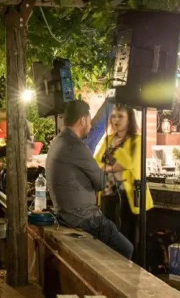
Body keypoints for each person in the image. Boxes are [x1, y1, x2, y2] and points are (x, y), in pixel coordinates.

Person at [45, 100, 134, 259]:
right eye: (89, 120)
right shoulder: (76, 146)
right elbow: (101, 182)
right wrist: (106, 170)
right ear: (82, 120)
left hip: (65, 215)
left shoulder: (57, 141)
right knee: (126, 248)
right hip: (84, 219)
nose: (91, 125)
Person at [93, 105, 153, 245]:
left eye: (120, 116)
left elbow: (127, 164)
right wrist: (108, 168)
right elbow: (95, 162)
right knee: (108, 237)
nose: (116, 120)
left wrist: (105, 168)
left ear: (129, 119)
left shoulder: (137, 140)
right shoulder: (108, 139)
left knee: (127, 239)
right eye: (114, 116)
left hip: (129, 198)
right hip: (108, 195)